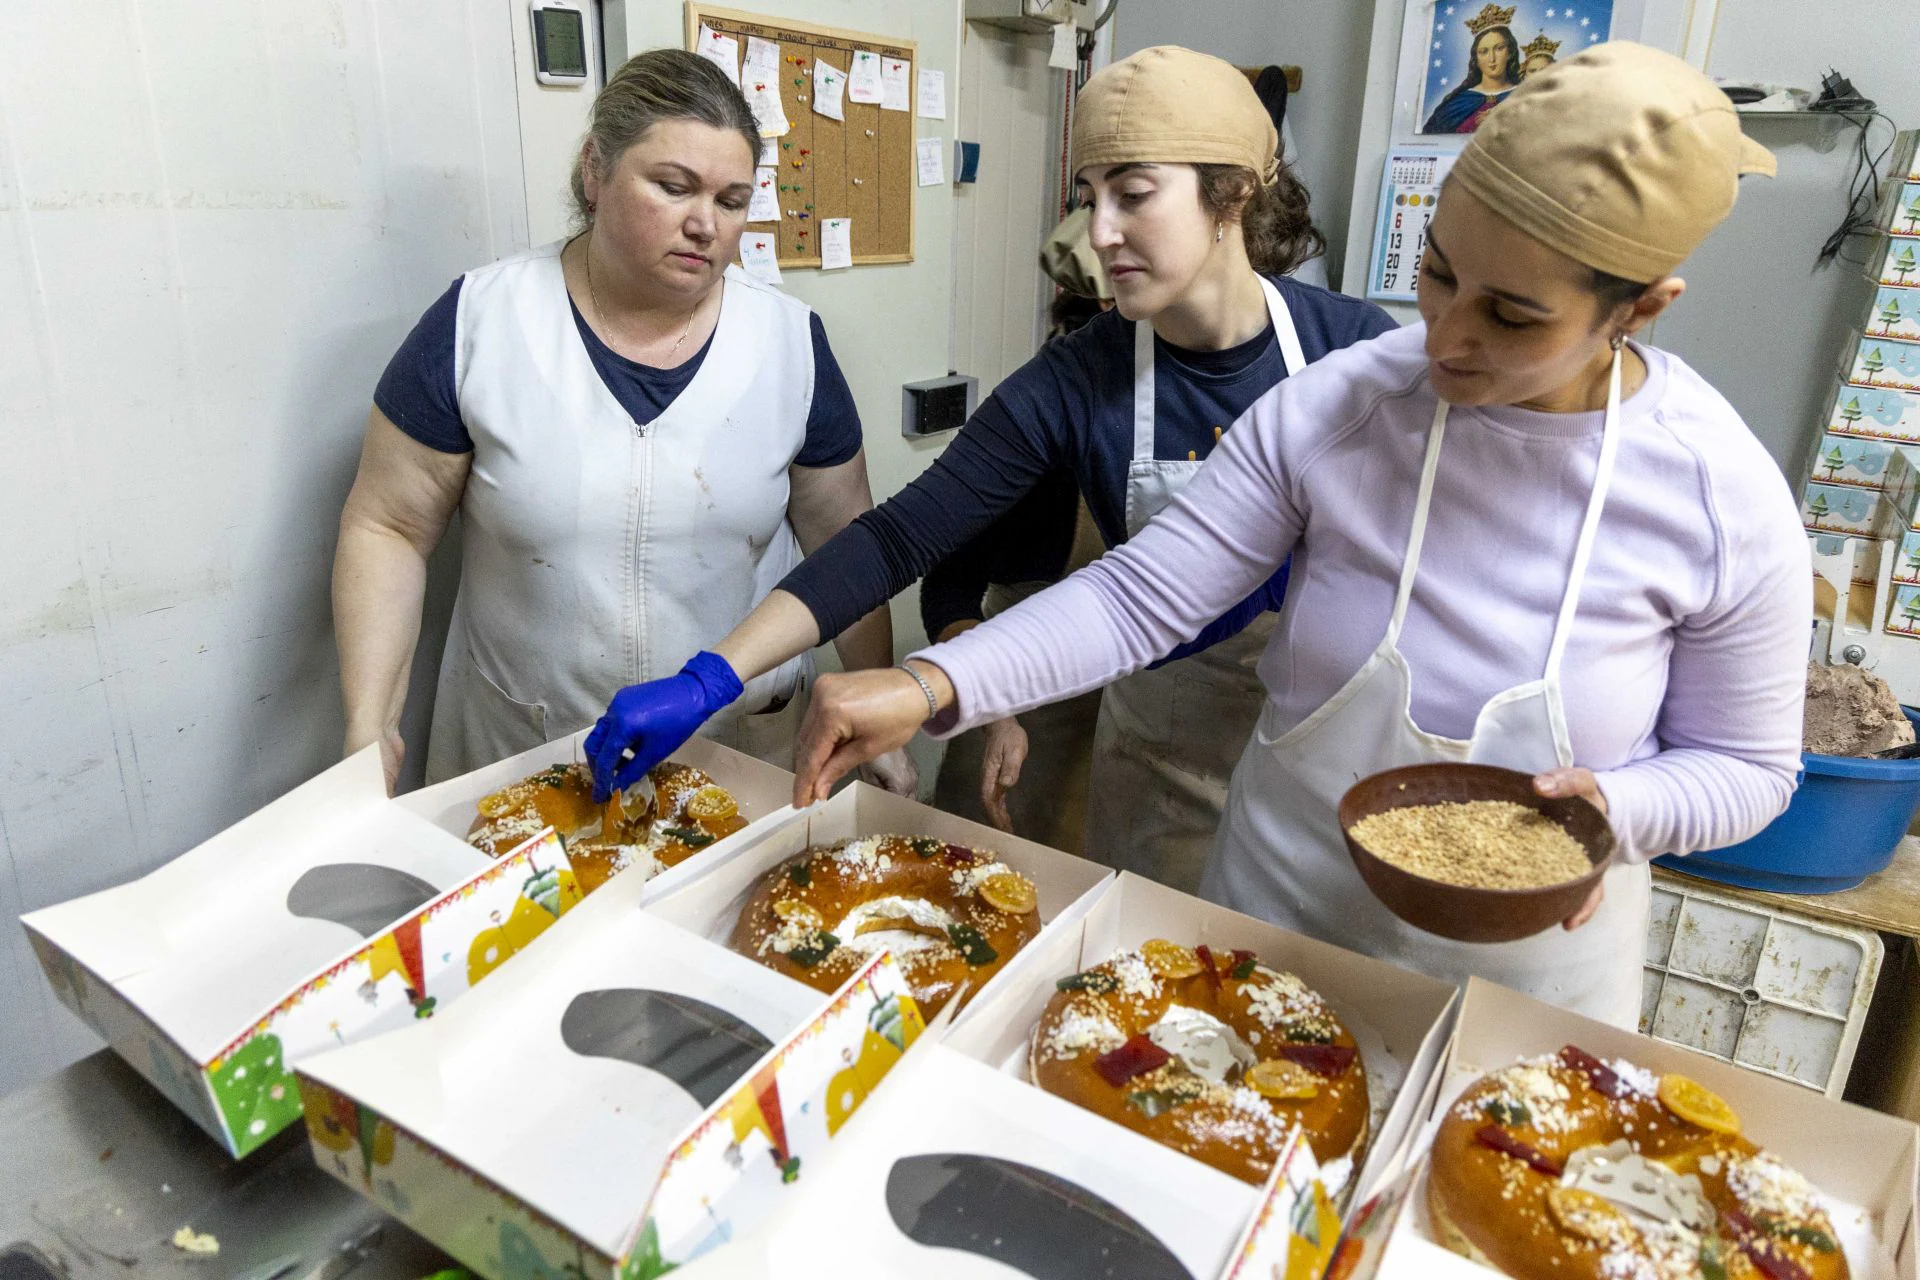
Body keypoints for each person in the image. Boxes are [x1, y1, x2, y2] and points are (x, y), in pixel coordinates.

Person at [789, 43, 1809, 1027]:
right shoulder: (1340, 406)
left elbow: (1751, 766)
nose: (1446, 337)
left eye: (1510, 316)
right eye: (1439, 274)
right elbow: (1142, 595)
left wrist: (1625, 809)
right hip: (1275, 916)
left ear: (1641, 309)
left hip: (1524, 975)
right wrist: (932, 682)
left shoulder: (1719, 495)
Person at [585, 47, 1397, 895]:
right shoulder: (1083, 375)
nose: (1099, 233)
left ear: (1232, 191)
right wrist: (711, 676)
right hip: (1167, 756)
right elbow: (899, 537)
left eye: (1134, 194)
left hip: (1331, 762)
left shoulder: (1356, 355)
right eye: (1090, 198)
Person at [331, 48, 914, 794]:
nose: (705, 223)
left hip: (733, 752)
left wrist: (878, 701)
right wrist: (368, 728)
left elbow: (845, 541)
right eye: (674, 187)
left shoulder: (789, 345)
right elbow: (389, 527)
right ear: (594, 172)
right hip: (529, 745)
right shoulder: (483, 323)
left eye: (733, 201)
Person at [924, 208, 1113, 846]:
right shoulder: (1041, 432)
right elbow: (945, 584)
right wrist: (996, 712)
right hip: (1030, 731)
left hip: (1142, 738)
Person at [1423, 20, 1522, 134]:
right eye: (1484, 52)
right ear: (1476, 59)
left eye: (1499, 48)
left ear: (1510, 52)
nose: (1492, 59)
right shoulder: (1459, 102)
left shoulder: (1525, 96)